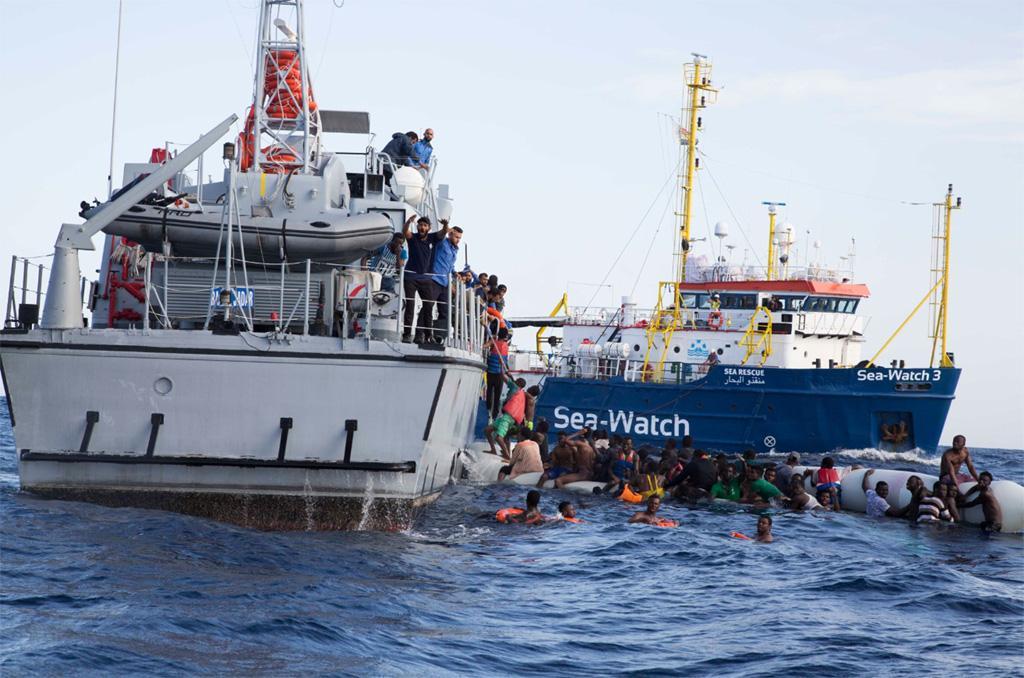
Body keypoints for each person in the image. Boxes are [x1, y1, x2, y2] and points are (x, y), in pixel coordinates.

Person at [402, 215, 449, 342]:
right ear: (417, 226)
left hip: (426, 278)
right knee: (410, 305)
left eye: (425, 225)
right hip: (410, 276)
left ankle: (429, 336)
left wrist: (445, 225)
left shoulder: (433, 238)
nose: (422, 227)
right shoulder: (413, 238)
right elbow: (405, 232)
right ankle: (406, 335)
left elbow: (443, 233)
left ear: (429, 228)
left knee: (428, 306)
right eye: (420, 225)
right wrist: (408, 222)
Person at [425, 226, 463, 342]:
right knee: (428, 307)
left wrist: (455, 274)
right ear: (451, 234)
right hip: (435, 280)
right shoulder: (442, 243)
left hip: (445, 283)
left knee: (445, 311)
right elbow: (440, 235)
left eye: (460, 238)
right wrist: (448, 229)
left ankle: (439, 336)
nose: (458, 240)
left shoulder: (455, 249)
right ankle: (422, 333)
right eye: (456, 237)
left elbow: (449, 266)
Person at [483, 327, 510, 419]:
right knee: (497, 395)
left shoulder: (493, 342)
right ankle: (495, 414)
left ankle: (488, 410)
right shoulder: (506, 346)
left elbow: (483, 346)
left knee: (489, 391)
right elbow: (505, 361)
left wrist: (492, 338)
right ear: (506, 336)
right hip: (500, 374)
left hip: (490, 372)